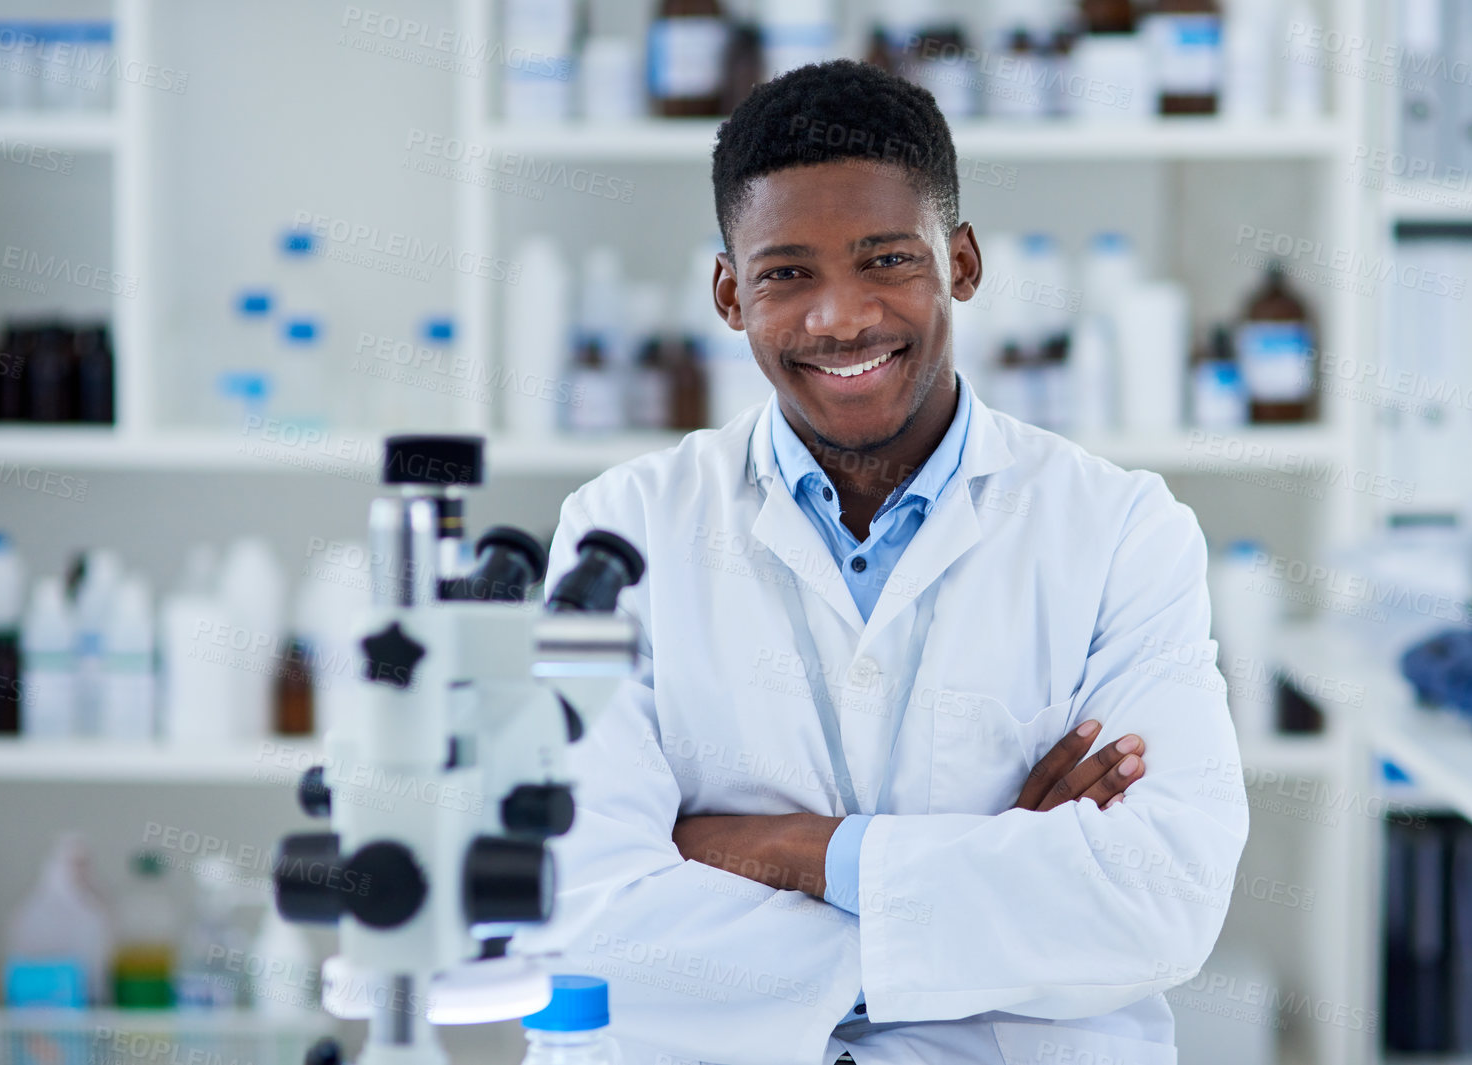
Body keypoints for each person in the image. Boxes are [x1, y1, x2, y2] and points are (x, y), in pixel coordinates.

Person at [513, 59, 1248, 1065]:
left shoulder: (1120, 529)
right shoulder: (618, 530)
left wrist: (787, 851)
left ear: (963, 264)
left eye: (886, 262)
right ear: (729, 294)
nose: (841, 318)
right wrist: (994, 891)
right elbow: (581, 912)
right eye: (786, 274)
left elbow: (1160, 896)